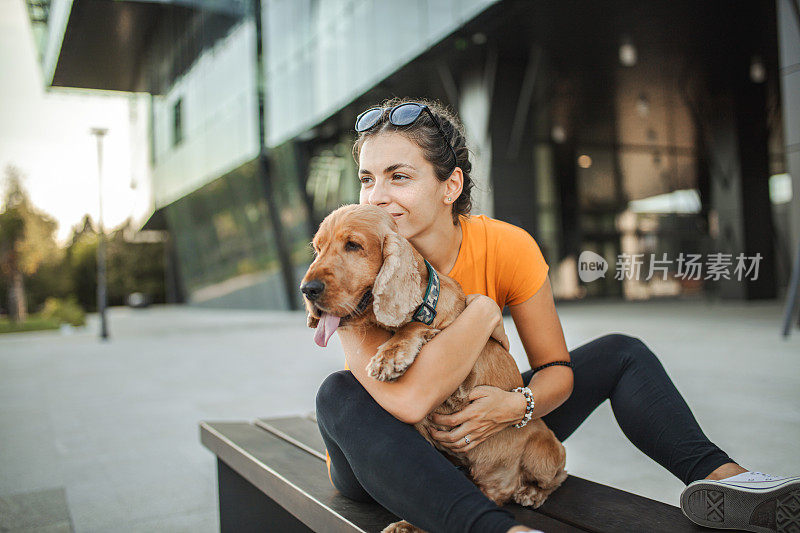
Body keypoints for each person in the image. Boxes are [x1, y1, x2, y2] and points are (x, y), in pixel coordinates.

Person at [314, 98, 799, 533]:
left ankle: (728, 482)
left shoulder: (505, 245)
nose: (375, 196)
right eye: (366, 178)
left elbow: (557, 372)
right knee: (337, 392)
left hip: (486, 424)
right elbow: (411, 402)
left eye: (399, 176)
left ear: (450, 184)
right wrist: (481, 314)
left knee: (622, 353)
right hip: (387, 448)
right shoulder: (357, 262)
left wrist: (513, 406)